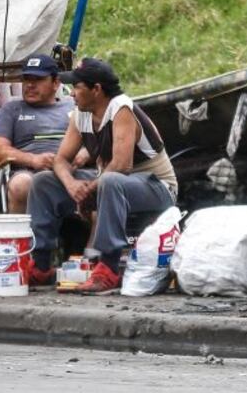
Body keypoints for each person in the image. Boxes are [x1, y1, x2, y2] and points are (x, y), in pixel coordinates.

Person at [27, 57, 178, 293]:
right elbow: (61, 160)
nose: (72, 93)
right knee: (43, 181)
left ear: (96, 89)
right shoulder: (81, 114)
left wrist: (89, 187)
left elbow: (122, 165)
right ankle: (41, 263)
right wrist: (71, 185)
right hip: (110, 184)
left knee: (110, 179)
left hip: (157, 188)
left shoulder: (121, 109)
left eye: (77, 87)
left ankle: (108, 267)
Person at [0, 54, 75, 213]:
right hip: (29, 172)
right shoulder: (11, 110)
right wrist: (33, 160)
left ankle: (98, 238)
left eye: (38, 79)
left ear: (56, 83)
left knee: (104, 184)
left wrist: (80, 155)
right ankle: (22, 237)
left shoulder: (73, 108)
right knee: (21, 185)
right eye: (27, 79)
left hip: (73, 169)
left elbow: (95, 141)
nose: (30, 85)